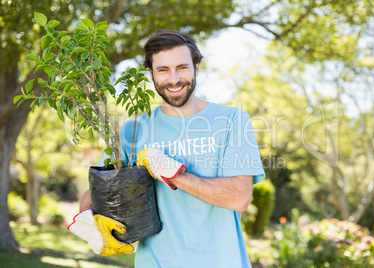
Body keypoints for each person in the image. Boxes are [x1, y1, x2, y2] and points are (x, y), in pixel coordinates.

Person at [69, 29, 266, 267]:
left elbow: (239, 197)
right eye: (163, 70)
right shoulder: (134, 130)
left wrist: (174, 175)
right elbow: (97, 192)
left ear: (197, 68)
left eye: (181, 67)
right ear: (152, 74)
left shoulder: (232, 119)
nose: (173, 79)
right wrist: (90, 223)